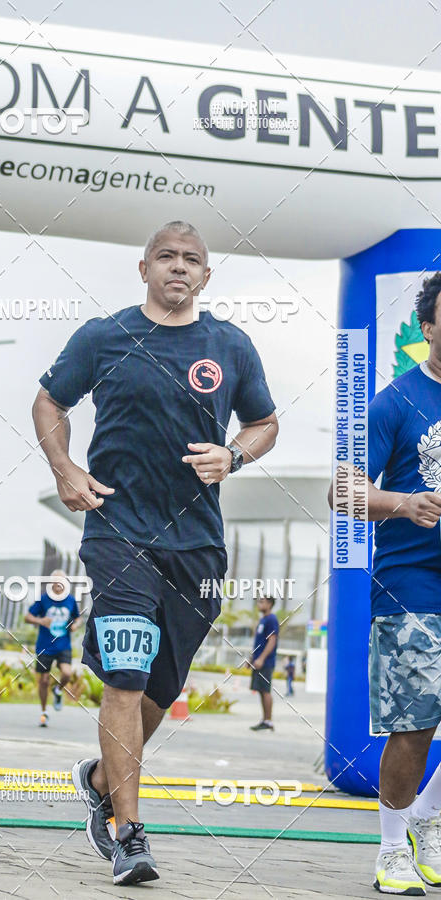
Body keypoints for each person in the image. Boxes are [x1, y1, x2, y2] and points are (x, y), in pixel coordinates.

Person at [32, 220, 278, 885]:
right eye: (165, 257)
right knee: (127, 671)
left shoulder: (231, 345)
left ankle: (99, 777)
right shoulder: (103, 336)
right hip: (117, 531)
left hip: (198, 546)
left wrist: (235, 454)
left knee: (159, 689)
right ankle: (129, 835)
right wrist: (64, 469)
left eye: (190, 259)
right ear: (143, 269)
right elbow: (51, 400)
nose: (178, 266)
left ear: (205, 275)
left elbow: (264, 423)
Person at [329, 273, 441, 896]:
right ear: (427, 327)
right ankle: (392, 848)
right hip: (411, 581)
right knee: (416, 721)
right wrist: (402, 503)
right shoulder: (394, 402)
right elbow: (340, 491)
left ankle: (427, 819)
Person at [24, 569, 82, 727]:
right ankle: (44, 712)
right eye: (55, 582)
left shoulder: (70, 600)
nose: (58, 585)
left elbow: (78, 618)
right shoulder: (43, 599)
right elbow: (27, 617)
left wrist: (75, 625)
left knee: (67, 673)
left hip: (63, 644)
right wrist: (41, 621)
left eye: (61, 582)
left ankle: (57, 690)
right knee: (43, 680)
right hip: (44, 646)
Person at [249, 596, 279, 731]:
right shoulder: (262, 620)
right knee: (261, 690)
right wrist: (251, 659)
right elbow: (259, 643)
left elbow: (272, 641)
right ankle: (265, 719)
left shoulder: (272, 619)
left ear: (270, 604)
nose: (259, 604)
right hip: (258, 661)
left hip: (266, 662)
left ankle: (269, 721)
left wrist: (261, 659)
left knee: (265, 690)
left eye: (262, 602)